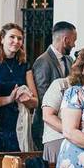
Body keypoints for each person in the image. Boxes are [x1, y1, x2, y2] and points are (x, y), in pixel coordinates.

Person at [0, 23, 38, 152]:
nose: (16, 41)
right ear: (2, 39)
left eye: (19, 38)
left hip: (20, 121)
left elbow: (35, 102)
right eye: (12, 37)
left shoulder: (24, 65)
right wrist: (9, 98)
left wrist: (25, 99)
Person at [32, 22, 76, 150]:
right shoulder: (43, 61)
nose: (74, 45)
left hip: (65, 122)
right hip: (47, 125)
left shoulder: (69, 60)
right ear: (66, 40)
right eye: (73, 41)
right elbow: (43, 96)